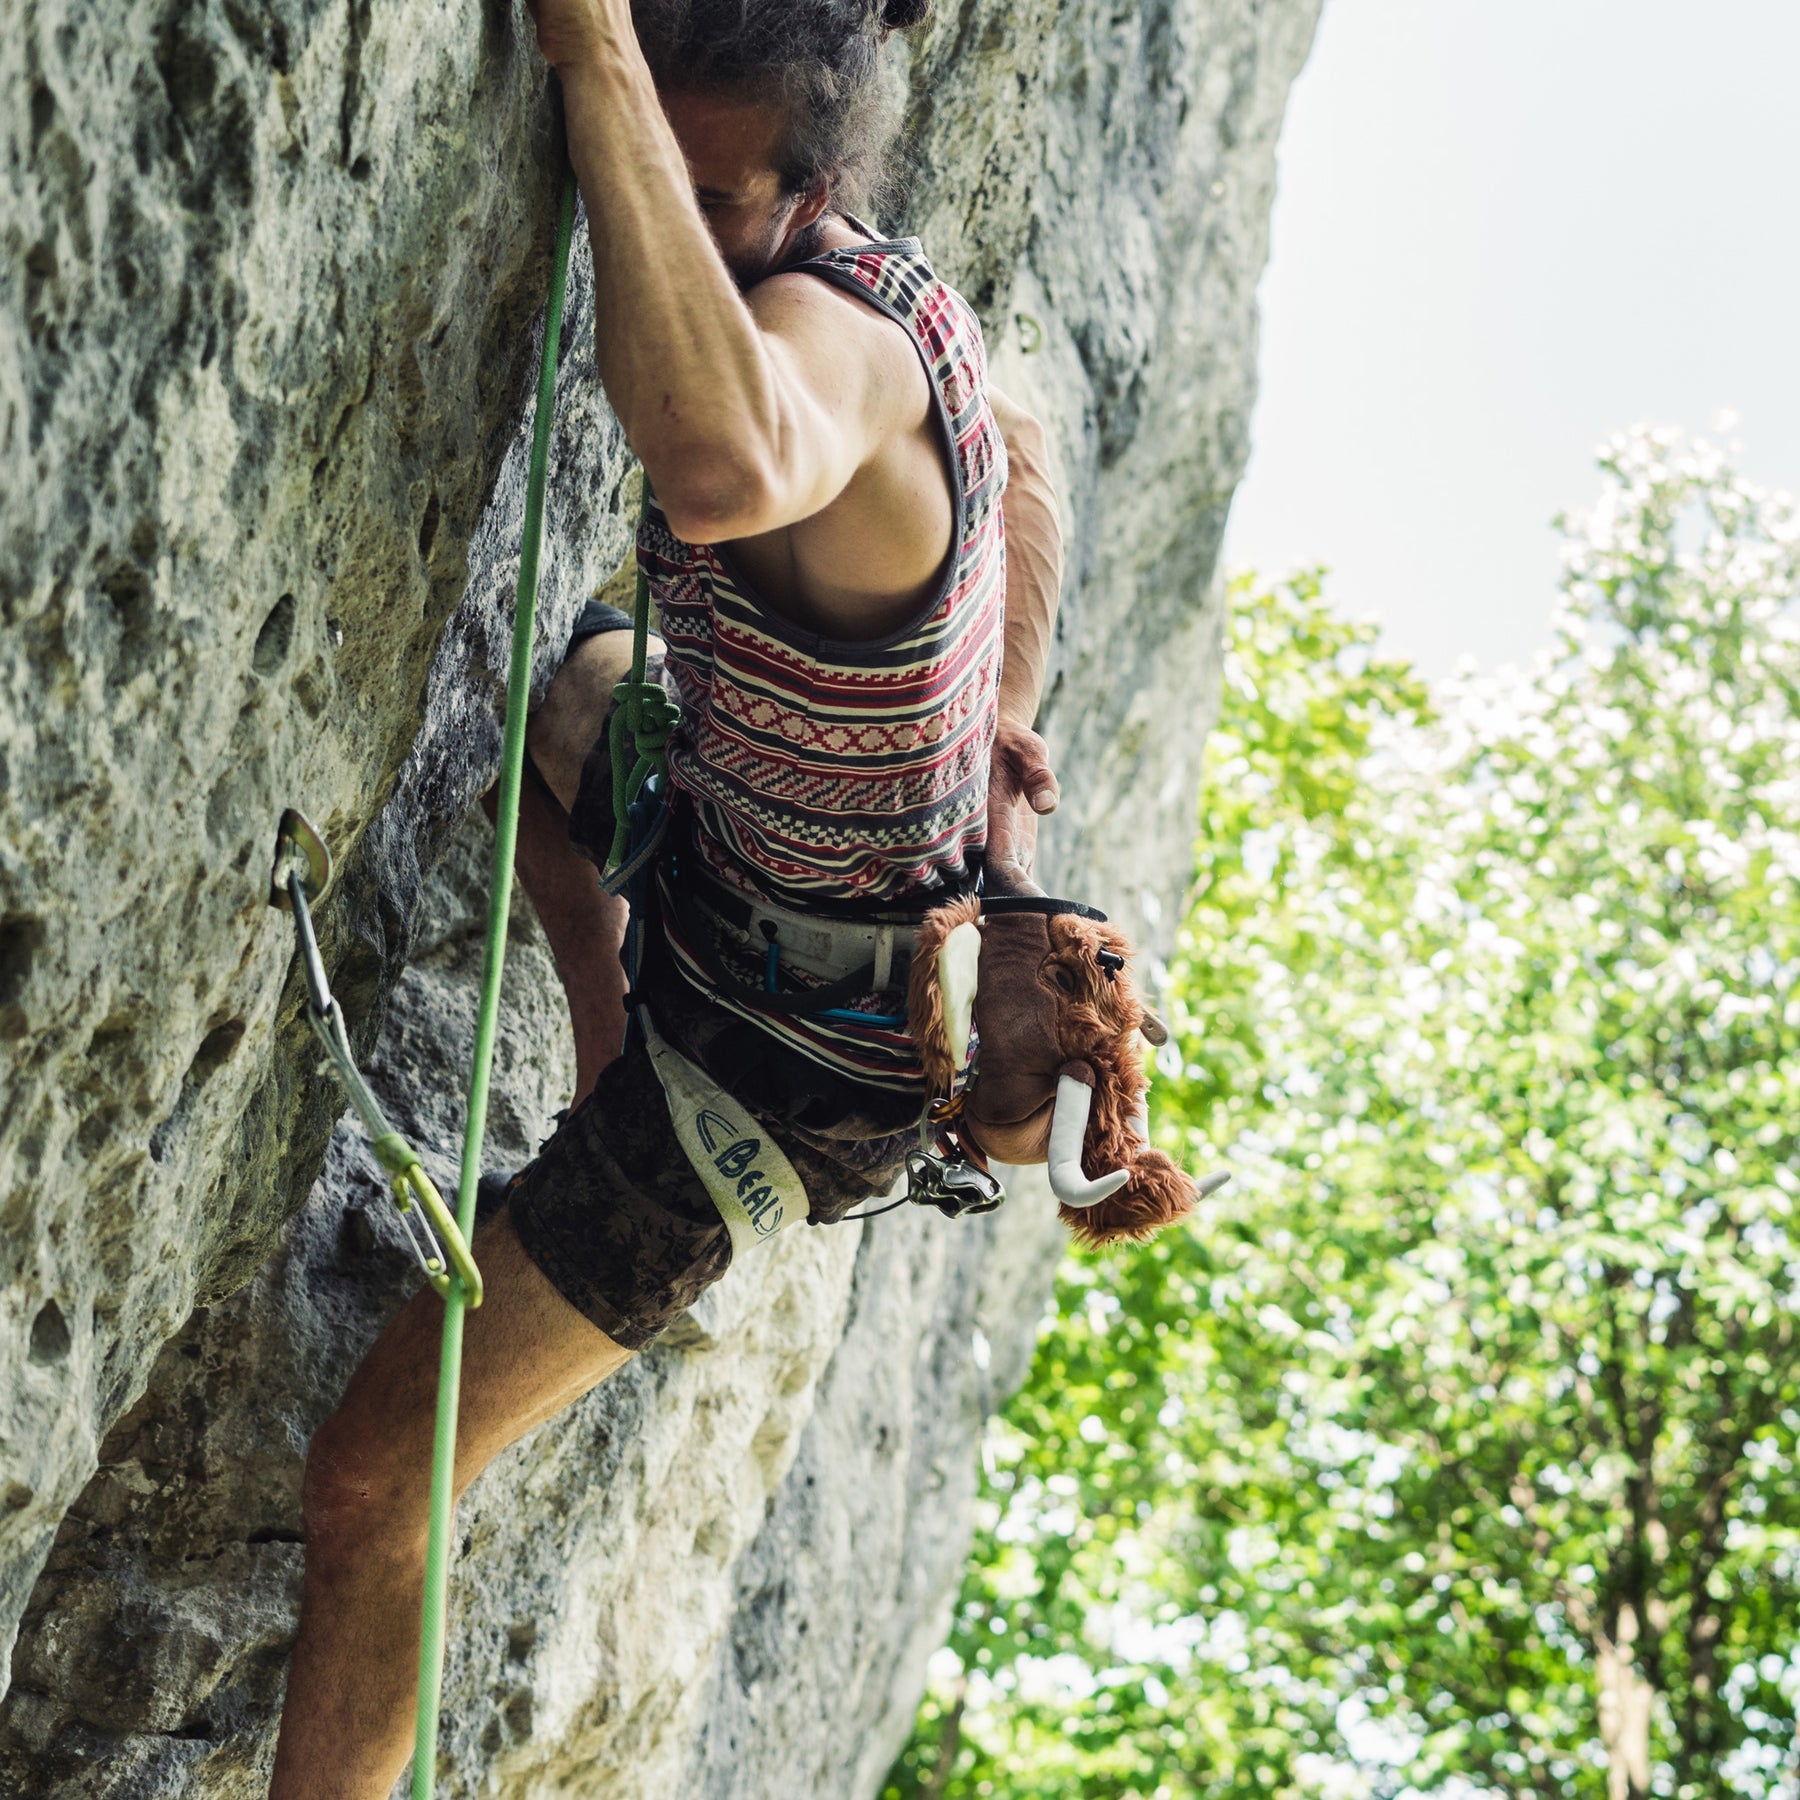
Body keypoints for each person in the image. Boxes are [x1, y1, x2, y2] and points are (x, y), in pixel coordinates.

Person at [270, 0, 1065, 1789]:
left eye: (712, 207)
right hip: (719, 870)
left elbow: (719, 468)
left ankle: (633, 1102)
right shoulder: (900, 293)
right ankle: (605, 1024)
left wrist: (597, 61)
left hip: (786, 1075)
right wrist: (1006, 725)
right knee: (577, 694)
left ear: (809, 201)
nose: (662, 234)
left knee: (374, 1483)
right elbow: (1015, 421)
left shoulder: (834, 351)